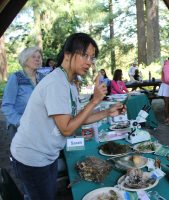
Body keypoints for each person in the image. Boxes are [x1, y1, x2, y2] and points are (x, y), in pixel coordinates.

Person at [10, 33, 125, 200]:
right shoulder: (56, 83)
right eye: (84, 55)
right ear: (68, 54)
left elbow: (78, 118)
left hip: (48, 154)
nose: (89, 62)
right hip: (32, 157)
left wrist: (107, 112)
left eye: (92, 57)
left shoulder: (69, 83)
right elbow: (66, 129)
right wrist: (94, 101)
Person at [2, 47, 43, 141]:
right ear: (25, 59)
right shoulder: (16, 77)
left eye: (39, 57)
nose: (37, 59)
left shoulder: (43, 78)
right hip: (19, 127)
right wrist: (20, 121)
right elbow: (7, 105)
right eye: (33, 56)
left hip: (39, 126)